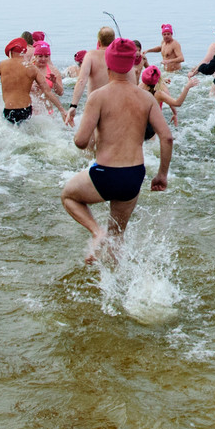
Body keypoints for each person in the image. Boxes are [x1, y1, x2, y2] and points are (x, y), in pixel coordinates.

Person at [61, 39, 172, 263]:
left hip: (105, 173)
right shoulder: (147, 98)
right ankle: (116, 284)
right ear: (132, 65)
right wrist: (161, 174)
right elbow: (167, 137)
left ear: (108, 66)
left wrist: (77, 132)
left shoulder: (98, 96)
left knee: (68, 196)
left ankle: (96, 232)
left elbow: (81, 141)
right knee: (118, 235)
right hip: (133, 176)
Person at [0, 38, 66, 124]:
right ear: (24, 52)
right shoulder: (31, 67)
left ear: (10, 52)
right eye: (40, 56)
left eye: (46, 56)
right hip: (26, 110)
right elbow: (48, 91)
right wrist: (62, 110)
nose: (43, 59)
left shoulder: (2, 65)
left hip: (9, 110)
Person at [65, 26, 116, 125]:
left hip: (94, 104)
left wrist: (73, 106)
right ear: (113, 41)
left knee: (87, 139)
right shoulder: (119, 57)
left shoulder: (91, 55)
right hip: (114, 104)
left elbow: (81, 81)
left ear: (99, 41)